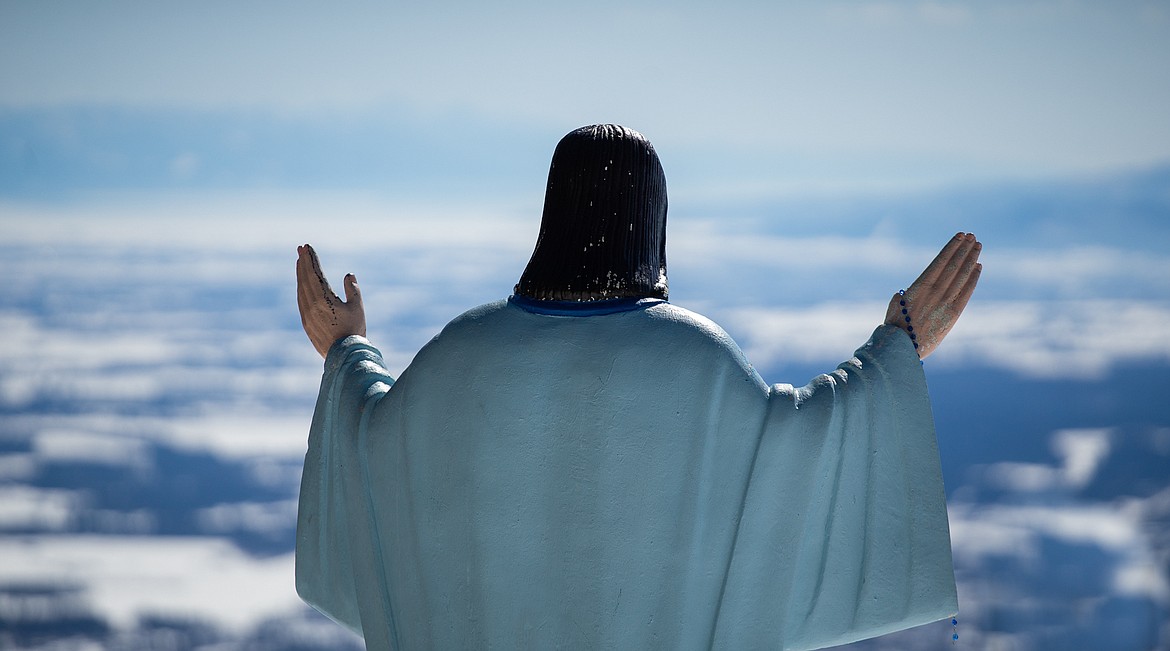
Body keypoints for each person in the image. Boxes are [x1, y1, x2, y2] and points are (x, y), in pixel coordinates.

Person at [294, 124, 981, 650]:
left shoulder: (455, 356)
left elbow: (370, 445)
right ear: (653, 221)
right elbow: (803, 456)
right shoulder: (696, 359)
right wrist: (898, 344)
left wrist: (345, 345)